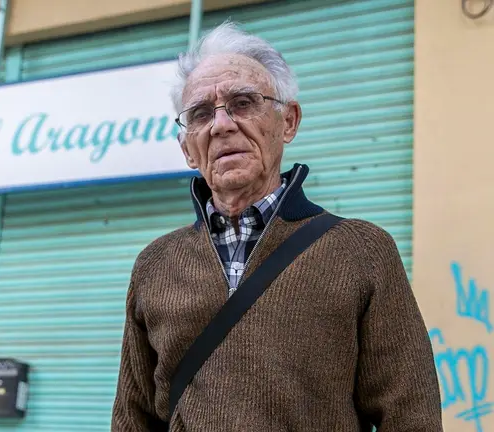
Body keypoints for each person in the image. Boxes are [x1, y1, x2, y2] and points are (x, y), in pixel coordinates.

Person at [110, 22, 443, 431]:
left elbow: (411, 416)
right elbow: (132, 417)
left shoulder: (362, 251)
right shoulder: (154, 264)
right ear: (187, 149)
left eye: (243, 102)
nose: (221, 124)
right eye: (200, 114)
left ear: (288, 122)